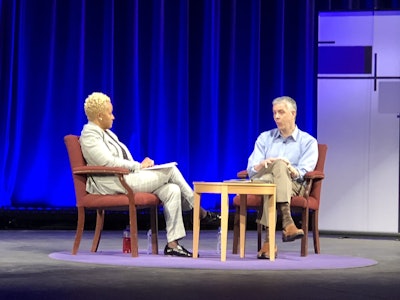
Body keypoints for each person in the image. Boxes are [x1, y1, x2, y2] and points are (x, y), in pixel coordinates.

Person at [80, 92, 220, 258]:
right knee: (171, 171)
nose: (114, 117)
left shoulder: (108, 133)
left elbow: (118, 161)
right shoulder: (89, 134)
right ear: (100, 116)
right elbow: (107, 162)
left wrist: (141, 168)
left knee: (172, 189)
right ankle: (200, 212)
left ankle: (173, 244)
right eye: (110, 113)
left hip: (125, 178)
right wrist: (139, 166)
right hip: (114, 183)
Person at [246, 96, 318, 259]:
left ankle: (269, 242)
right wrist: (262, 163)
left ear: (293, 114)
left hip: (294, 184)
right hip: (262, 179)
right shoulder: (265, 138)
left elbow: (305, 171)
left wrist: (290, 168)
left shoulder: (308, 142)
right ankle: (287, 222)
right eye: (274, 113)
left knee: (274, 177)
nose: (276, 117)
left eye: (281, 112)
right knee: (274, 173)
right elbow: (251, 169)